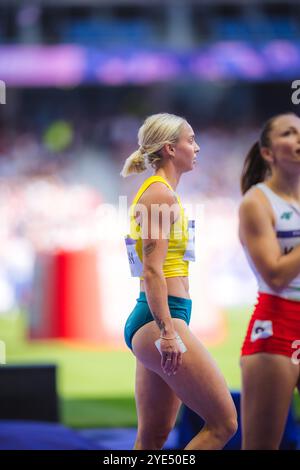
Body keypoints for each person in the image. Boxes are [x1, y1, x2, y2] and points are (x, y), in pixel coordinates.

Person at [121, 113, 237, 450]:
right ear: (171, 149)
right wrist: (168, 331)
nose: (197, 147)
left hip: (157, 319)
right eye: (191, 140)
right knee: (223, 424)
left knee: (153, 437)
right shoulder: (161, 195)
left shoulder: (161, 192)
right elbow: (152, 270)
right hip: (162, 320)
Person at [239, 112, 300, 450]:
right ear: (268, 153)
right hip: (278, 323)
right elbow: (274, 275)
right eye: (290, 134)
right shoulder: (256, 202)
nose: (299, 139)